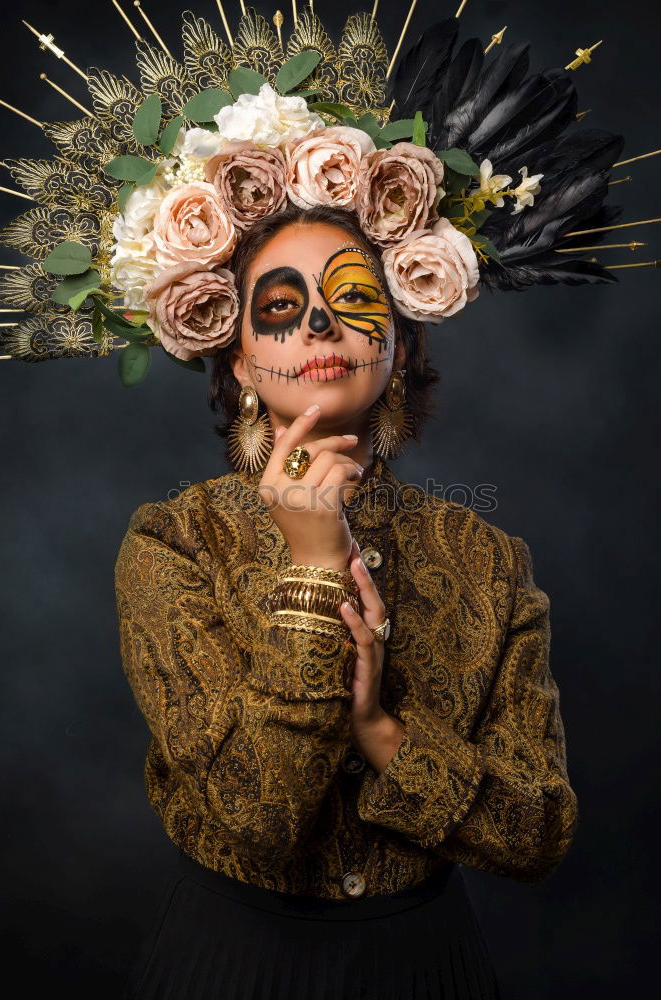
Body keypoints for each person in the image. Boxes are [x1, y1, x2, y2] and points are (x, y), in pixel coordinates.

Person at [114, 204, 579, 999]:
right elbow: (255, 824)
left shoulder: (492, 563)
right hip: (233, 965)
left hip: (427, 966)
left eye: (354, 298)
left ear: (397, 347)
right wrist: (312, 569)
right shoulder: (173, 543)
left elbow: (535, 835)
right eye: (282, 308)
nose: (321, 322)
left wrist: (384, 735)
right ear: (241, 365)